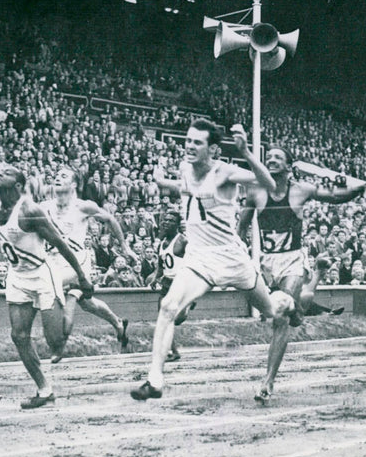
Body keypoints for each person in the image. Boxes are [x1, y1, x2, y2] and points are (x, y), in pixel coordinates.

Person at [130, 120, 294, 401]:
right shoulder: (184, 169)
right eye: (189, 141)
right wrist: (159, 181)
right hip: (199, 258)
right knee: (168, 306)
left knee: (271, 310)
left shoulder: (225, 172)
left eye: (198, 142)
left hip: (230, 256)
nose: (190, 146)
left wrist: (246, 152)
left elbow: (268, 183)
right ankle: (154, 381)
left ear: (212, 149)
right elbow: (182, 187)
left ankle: (286, 300)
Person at [237, 146, 366, 404]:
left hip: (293, 260)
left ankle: (268, 380)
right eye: (268, 157)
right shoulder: (255, 193)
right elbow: (241, 228)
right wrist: (240, 258)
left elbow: (335, 197)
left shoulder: (300, 190)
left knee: (279, 317)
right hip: (267, 264)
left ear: (288, 165)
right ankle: (298, 311)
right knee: (286, 313)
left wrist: (363, 186)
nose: (271, 160)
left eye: (277, 157)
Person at [0, 163, 94, 409]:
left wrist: (81, 275)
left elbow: (60, 243)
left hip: (43, 274)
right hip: (17, 276)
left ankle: (73, 296)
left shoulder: (30, 211)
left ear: (18, 185)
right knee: (19, 335)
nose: (0, 172)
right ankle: (45, 390)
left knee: (55, 341)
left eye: (7, 172)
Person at [41, 167, 134, 362]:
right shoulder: (44, 207)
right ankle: (118, 323)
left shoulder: (83, 206)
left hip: (77, 263)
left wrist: (125, 247)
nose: (58, 177)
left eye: (63, 176)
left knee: (63, 296)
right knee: (88, 303)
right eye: (57, 175)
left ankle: (60, 343)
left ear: (74, 184)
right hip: (54, 261)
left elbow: (109, 220)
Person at [145, 210, 195, 362]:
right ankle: (173, 351)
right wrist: (155, 278)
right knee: (164, 318)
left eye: (170, 220)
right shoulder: (161, 244)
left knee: (177, 319)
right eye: (164, 220)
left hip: (181, 283)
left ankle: (187, 304)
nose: (166, 223)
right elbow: (161, 266)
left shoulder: (183, 241)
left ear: (177, 225)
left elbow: (194, 262)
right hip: (166, 283)